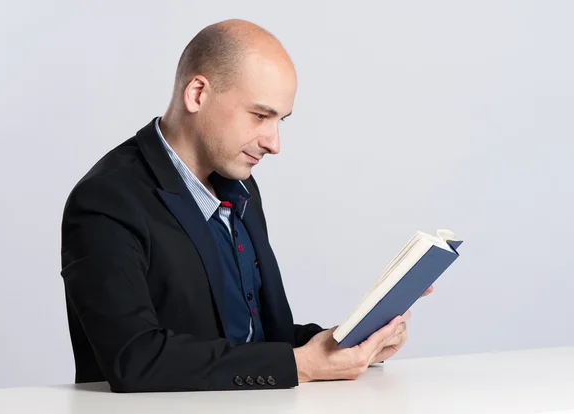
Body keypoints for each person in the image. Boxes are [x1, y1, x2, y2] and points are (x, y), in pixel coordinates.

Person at [60, 18, 433, 393]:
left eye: (280, 120)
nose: (274, 143)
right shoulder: (106, 201)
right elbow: (135, 359)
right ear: (198, 94)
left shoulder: (240, 189)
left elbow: (255, 340)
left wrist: (348, 342)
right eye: (260, 115)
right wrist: (301, 364)